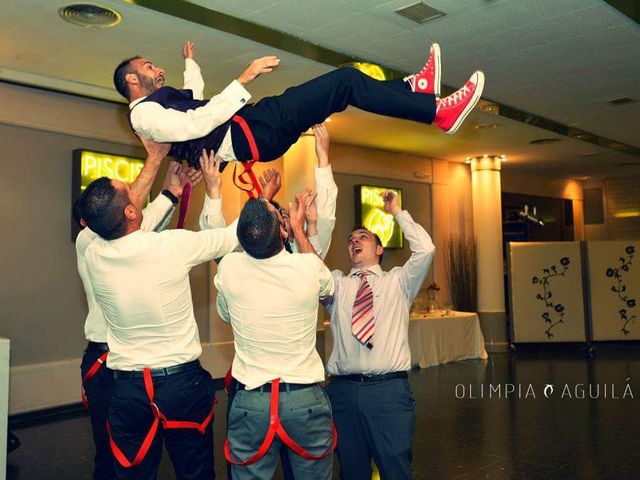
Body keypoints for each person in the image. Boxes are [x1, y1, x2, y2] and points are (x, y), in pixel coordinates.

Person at [78, 168, 239, 480]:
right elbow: (229, 237)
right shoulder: (170, 246)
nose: (136, 194)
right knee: (195, 472)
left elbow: (130, 225)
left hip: (127, 389)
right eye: (130, 191)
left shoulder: (93, 253)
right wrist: (262, 206)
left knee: (133, 474)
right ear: (130, 211)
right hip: (180, 386)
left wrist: (169, 194)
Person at [114, 42, 484, 169]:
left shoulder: (154, 106)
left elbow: (192, 102)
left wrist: (190, 64)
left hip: (254, 128)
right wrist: (242, 79)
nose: (157, 69)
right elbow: (193, 126)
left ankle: (417, 92)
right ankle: (436, 112)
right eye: (149, 68)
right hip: (251, 133)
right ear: (132, 80)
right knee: (344, 81)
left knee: (343, 88)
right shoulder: (144, 115)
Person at [74, 140, 198, 480]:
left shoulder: (116, 238)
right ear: (90, 223)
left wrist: (172, 192)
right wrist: (154, 159)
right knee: (114, 457)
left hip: (140, 368)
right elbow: (128, 210)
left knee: (148, 456)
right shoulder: (90, 244)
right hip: (108, 364)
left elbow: (139, 219)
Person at [214, 193, 335, 480]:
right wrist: (300, 232)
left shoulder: (229, 268)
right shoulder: (307, 268)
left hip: (252, 401)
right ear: (283, 231)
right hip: (304, 399)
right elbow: (328, 287)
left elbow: (224, 314)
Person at [323, 190, 435, 480]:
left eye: (363, 237)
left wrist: (397, 211)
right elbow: (309, 269)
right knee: (352, 470)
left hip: (388, 393)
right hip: (343, 392)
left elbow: (425, 249)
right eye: (350, 240)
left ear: (379, 249)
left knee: (395, 469)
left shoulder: (398, 282)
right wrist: (306, 227)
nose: (354, 241)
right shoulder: (337, 284)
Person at [199, 123, 337, 260]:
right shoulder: (244, 261)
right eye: (281, 216)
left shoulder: (299, 257)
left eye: (283, 216)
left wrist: (212, 189)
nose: (284, 218)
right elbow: (218, 242)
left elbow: (325, 219)